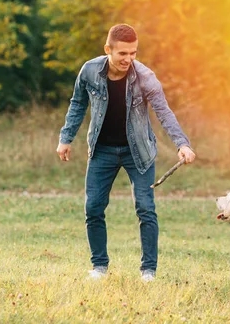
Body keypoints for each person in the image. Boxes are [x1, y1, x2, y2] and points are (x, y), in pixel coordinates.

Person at [56, 23, 196, 282]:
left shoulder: (145, 77)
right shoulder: (89, 71)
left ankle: (148, 271)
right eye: (122, 53)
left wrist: (182, 143)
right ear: (108, 49)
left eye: (133, 53)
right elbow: (77, 103)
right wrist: (66, 138)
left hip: (139, 152)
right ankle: (99, 267)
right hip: (102, 151)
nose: (128, 59)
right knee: (94, 207)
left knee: (145, 208)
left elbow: (163, 112)